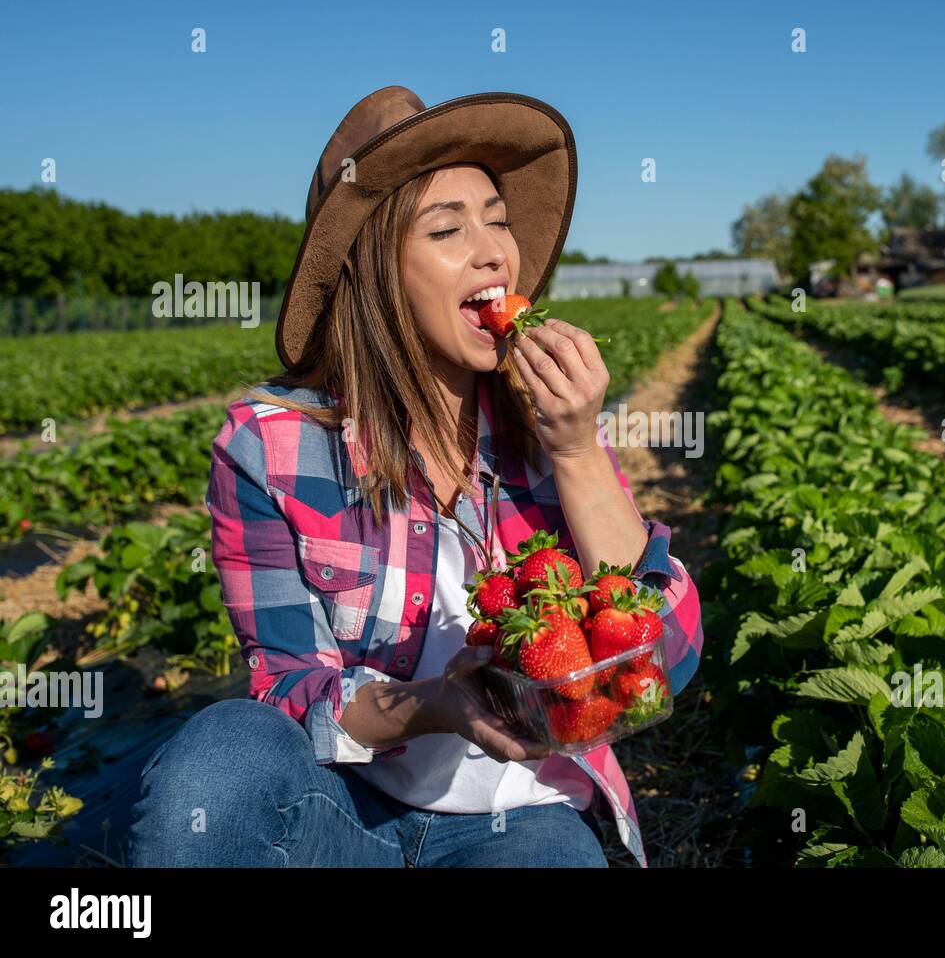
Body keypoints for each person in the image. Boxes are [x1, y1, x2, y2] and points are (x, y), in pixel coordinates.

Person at [126, 87, 704, 868]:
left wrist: (574, 452)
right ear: (374, 273)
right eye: (446, 228)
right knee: (223, 752)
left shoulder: (549, 428)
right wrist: (439, 706)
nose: (495, 249)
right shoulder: (272, 448)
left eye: (497, 219)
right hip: (345, 809)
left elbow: (665, 660)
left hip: (522, 815)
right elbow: (292, 688)